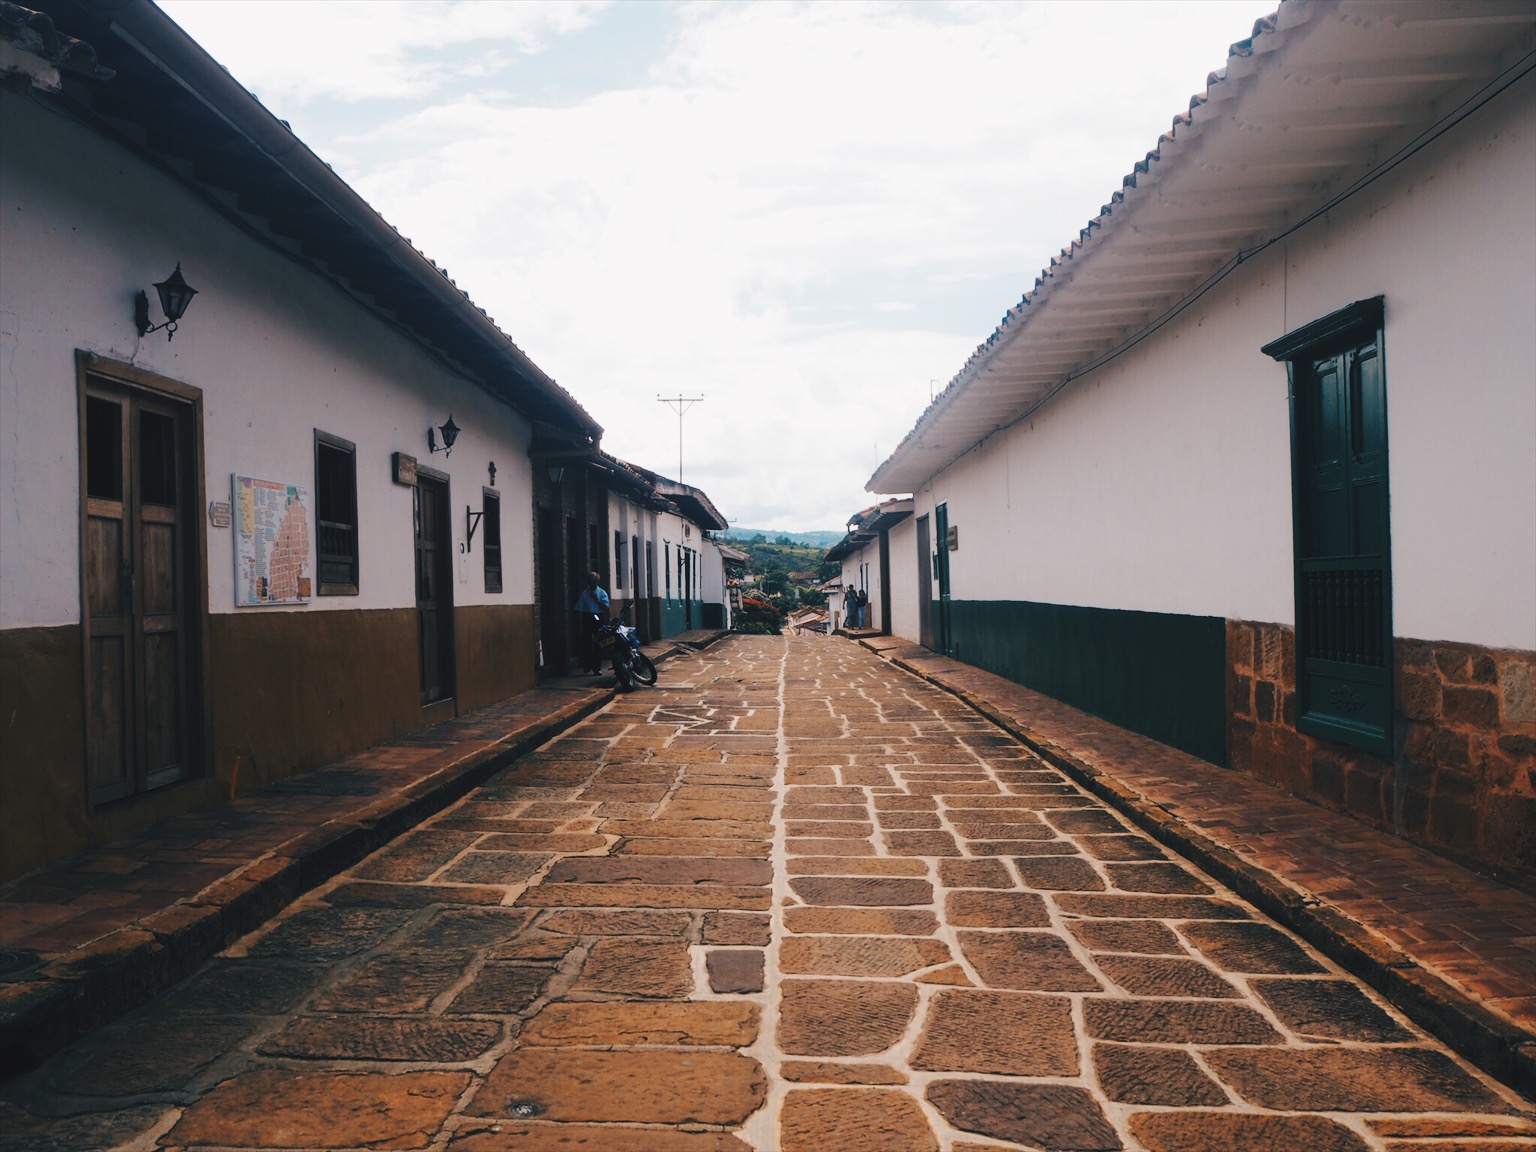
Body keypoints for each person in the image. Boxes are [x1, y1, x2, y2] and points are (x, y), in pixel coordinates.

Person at [574, 571, 610, 674]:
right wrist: (580, 624)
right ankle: (588, 664)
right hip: (587, 617)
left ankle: (597, 667)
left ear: (597, 582)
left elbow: (606, 608)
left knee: (598, 643)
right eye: (590, 582)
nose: (592, 584)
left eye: (594, 582)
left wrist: (597, 600)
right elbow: (580, 609)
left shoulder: (602, 593)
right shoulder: (584, 594)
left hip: (598, 617)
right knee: (586, 643)